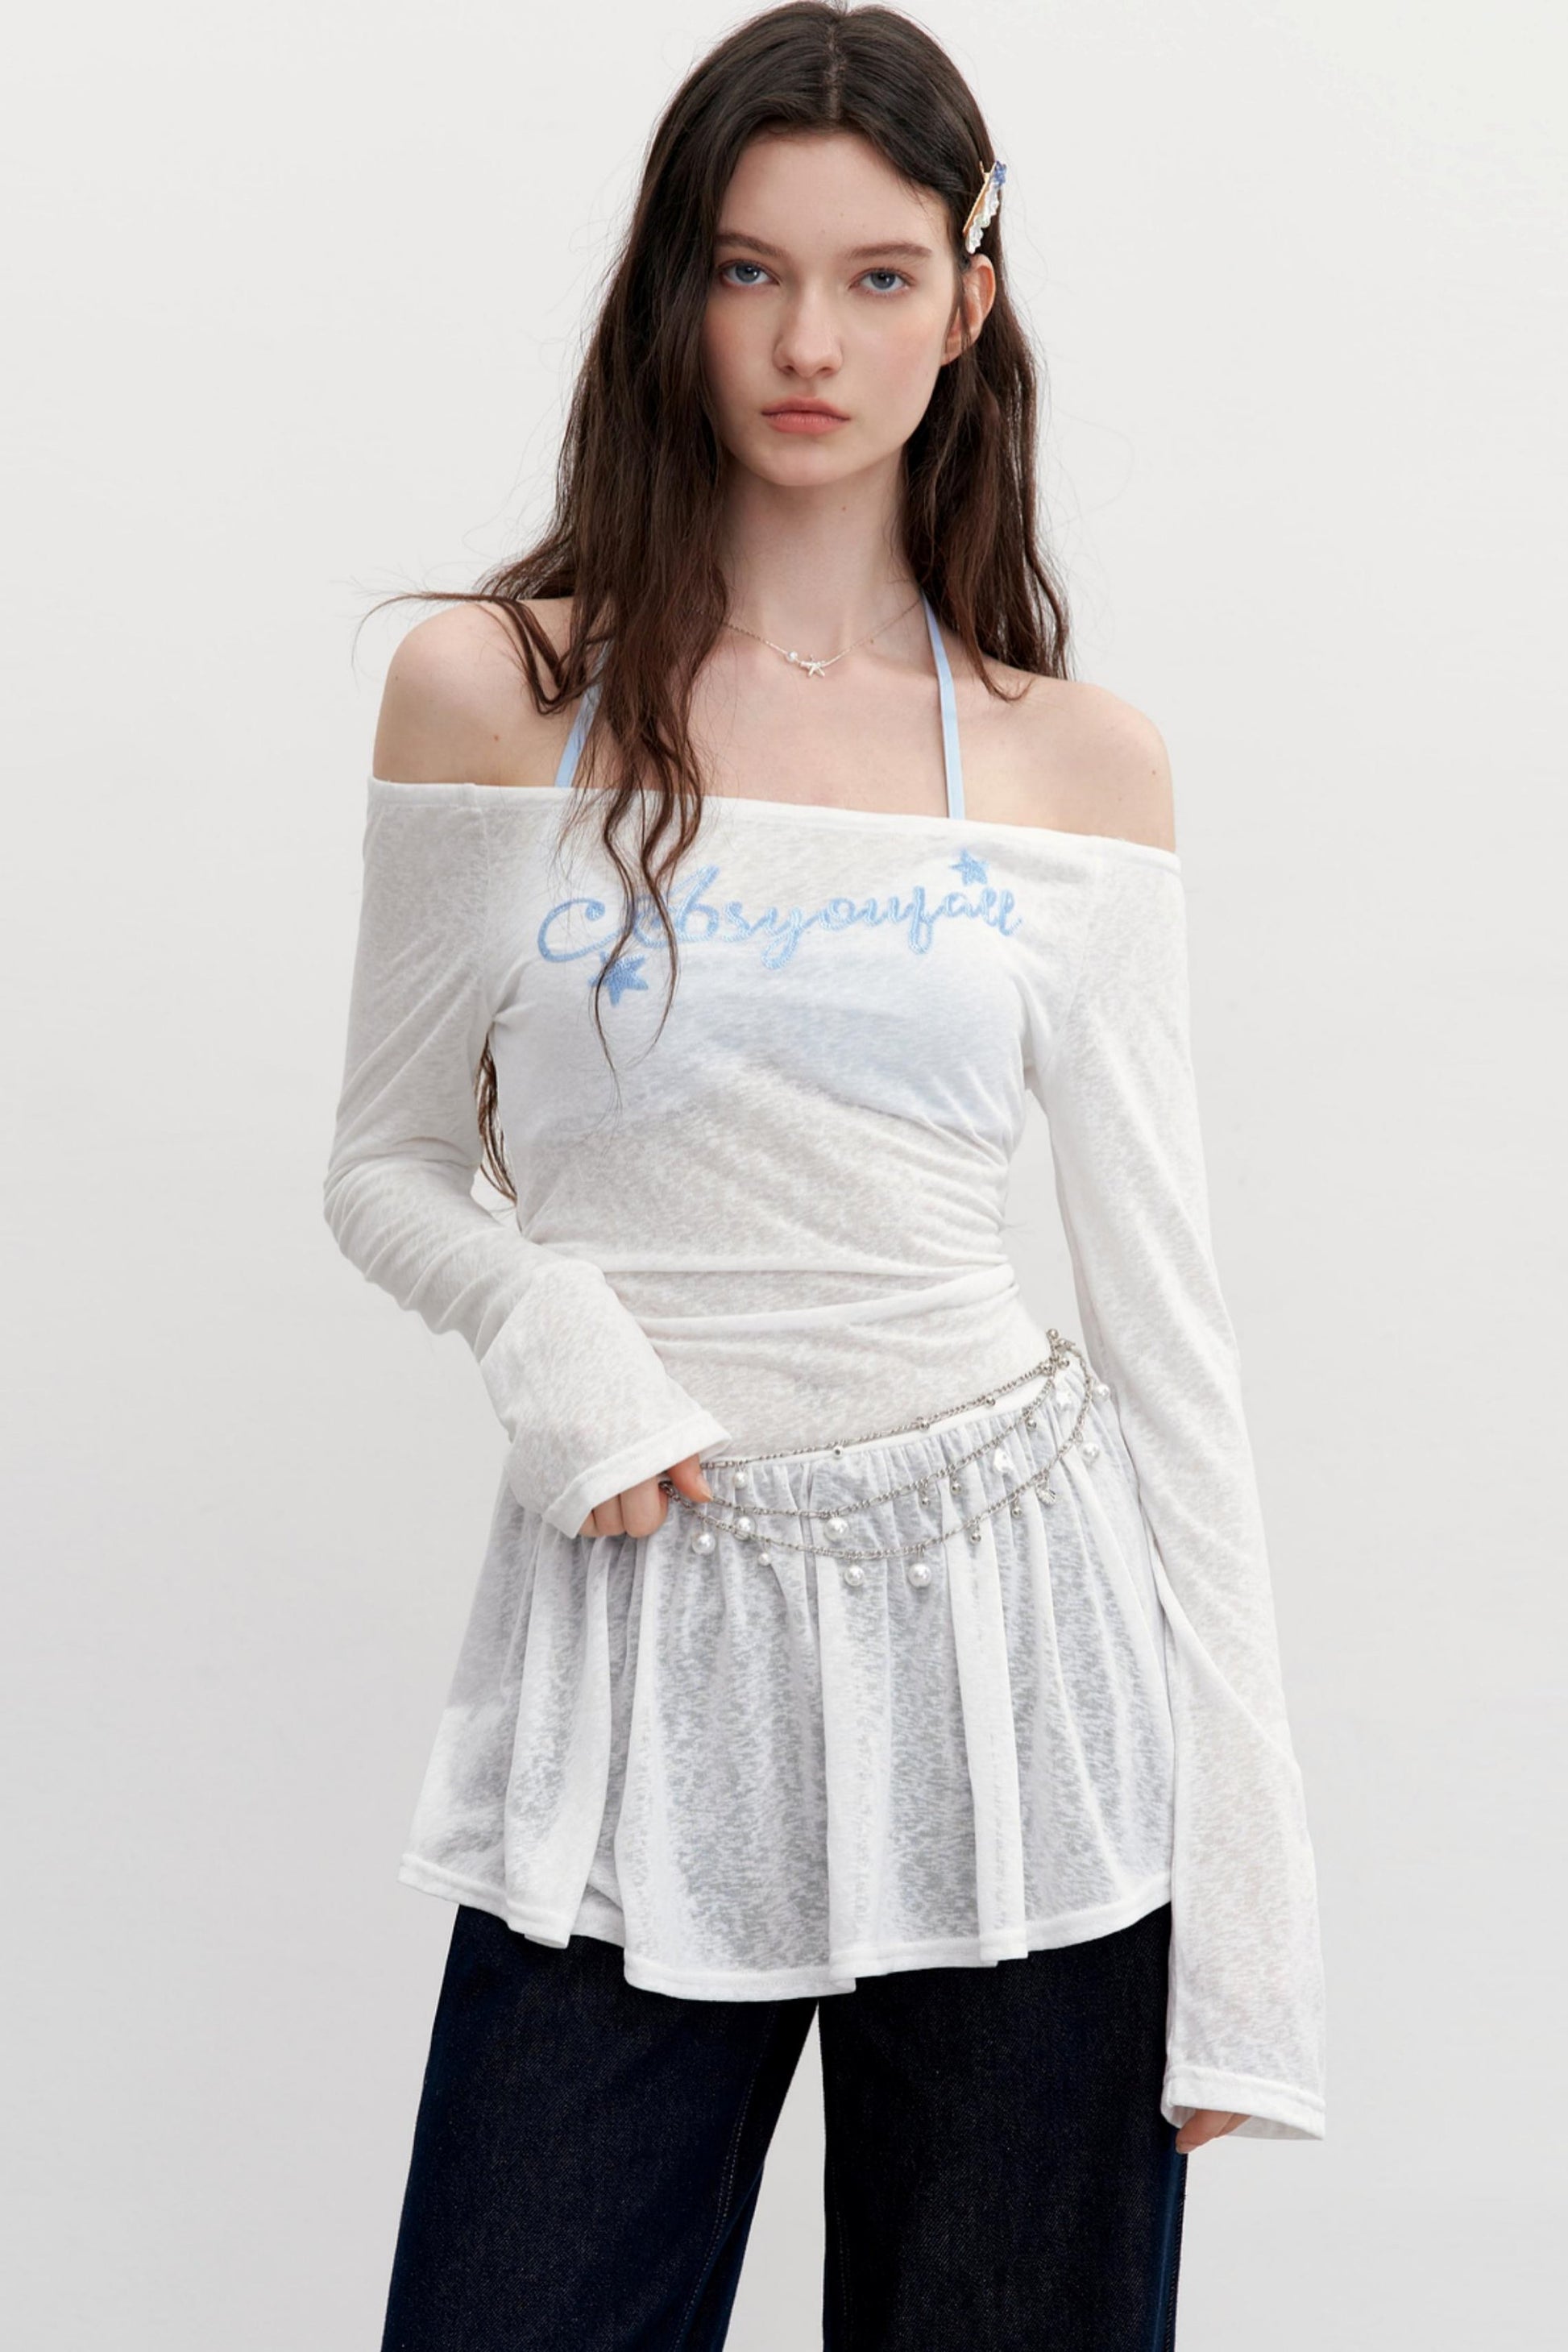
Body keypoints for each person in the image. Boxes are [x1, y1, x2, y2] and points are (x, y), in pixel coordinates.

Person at [321, 6, 1325, 2344]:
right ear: (672, 290)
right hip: (635, 1655)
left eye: (877, 279)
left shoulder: (1074, 764)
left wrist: (1252, 1912)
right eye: (750, 271)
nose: (806, 344)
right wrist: (545, 1321)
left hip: (1023, 1676)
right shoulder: (496, 691)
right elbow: (385, 1162)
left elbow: (1170, 1339)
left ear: (968, 303)